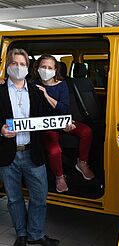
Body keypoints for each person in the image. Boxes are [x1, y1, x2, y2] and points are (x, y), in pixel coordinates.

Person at [0, 49, 59, 246]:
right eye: (15, 63)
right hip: (8, 154)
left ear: (27, 67)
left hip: (32, 152)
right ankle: (22, 235)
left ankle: (35, 234)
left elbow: (45, 118)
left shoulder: (35, 91)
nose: (18, 67)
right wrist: (0, 129)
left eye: (22, 64)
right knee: (14, 199)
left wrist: (63, 123)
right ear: (8, 66)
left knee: (40, 197)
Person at [32, 54, 95, 193]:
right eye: (43, 67)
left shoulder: (62, 85)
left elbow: (64, 108)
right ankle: (60, 177)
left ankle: (82, 163)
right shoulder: (32, 84)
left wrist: (47, 96)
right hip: (45, 125)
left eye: (49, 67)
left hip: (62, 121)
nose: (46, 70)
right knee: (55, 150)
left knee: (86, 131)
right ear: (37, 68)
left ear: (55, 70)